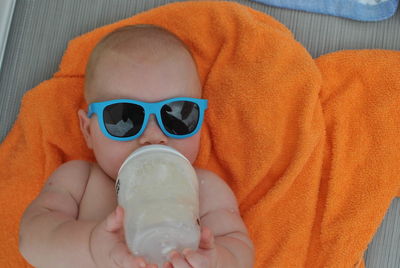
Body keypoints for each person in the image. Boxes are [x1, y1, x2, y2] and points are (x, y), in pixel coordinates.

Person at [19, 25, 254, 268]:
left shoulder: (206, 189)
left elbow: (239, 249)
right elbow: (32, 237)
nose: (153, 135)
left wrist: (215, 261)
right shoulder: (79, 182)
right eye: (125, 118)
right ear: (88, 130)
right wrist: (91, 247)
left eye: (176, 116)